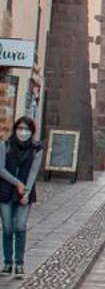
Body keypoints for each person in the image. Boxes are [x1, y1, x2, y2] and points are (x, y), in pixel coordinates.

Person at [0, 117, 43, 277]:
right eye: (20, 128)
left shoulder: (36, 148)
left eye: (27, 129)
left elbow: (33, 171)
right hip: (5, 191)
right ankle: (7, 263)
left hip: (25, 193)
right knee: (7, 228)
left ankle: (19, 263)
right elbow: (1, 169)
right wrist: (17, 183)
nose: (23, 132)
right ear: (15, 129)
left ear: (31, 132)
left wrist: (26, 191)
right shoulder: (5, 145)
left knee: (20, 227)